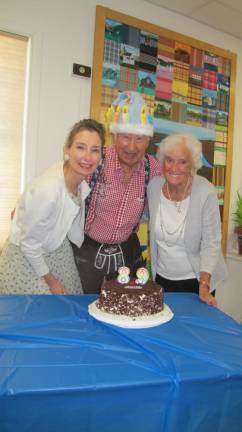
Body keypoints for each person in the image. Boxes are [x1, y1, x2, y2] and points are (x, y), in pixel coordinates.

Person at [71, 91, 162, 293]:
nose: (131, 146)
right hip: (87, 249)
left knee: (126, 310)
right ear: (113, 136)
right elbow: (64, 186)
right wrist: (31, 208)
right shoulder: (96, 160)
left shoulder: (153, 169)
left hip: (128, 252)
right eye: (125, 137)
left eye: (139, 138)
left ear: (148, 140)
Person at [0, 119, 105, 294]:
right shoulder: (48, 190)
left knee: (70, 303)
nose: (87, 157)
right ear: (67, 149)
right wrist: (52, 282)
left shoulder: (77, 179)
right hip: (27, 256)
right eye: (80, 147)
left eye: (95, 150)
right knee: (46, 309)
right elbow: (29, 244)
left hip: (56, 249)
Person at [147, 132, 227, 306]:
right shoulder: (153, 187)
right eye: (169, 160)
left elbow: (211, 242)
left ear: (193, 164)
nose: (174, 167)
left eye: (182, 161)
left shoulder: (205, 191)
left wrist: (204, 285)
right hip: (162, 278)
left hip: (197, 280)